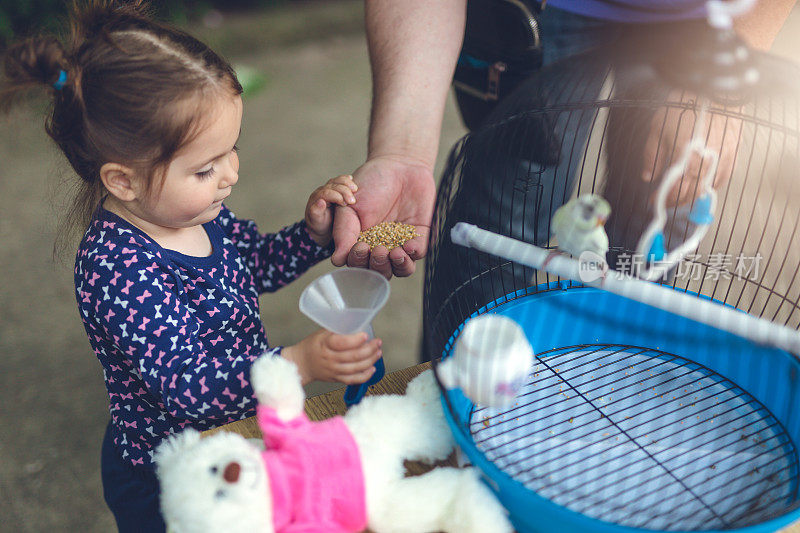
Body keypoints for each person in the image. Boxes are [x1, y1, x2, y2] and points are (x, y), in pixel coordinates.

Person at [1, 1, 381, 531]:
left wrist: (313, 233)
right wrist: (297, 364)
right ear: (123, 181)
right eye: (205, 168)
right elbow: (187, 385)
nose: (231, 174)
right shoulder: (117, 268)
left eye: (233, 149)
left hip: (236, 436)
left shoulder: (199, 212)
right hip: (171, 472)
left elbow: (256, 265)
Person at [331, 0, 797, 280]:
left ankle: (627, 373)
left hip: (703, 19)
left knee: (664, 198)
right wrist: (401, 150)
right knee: (499, 226)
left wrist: (718, 84)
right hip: (535, 11)